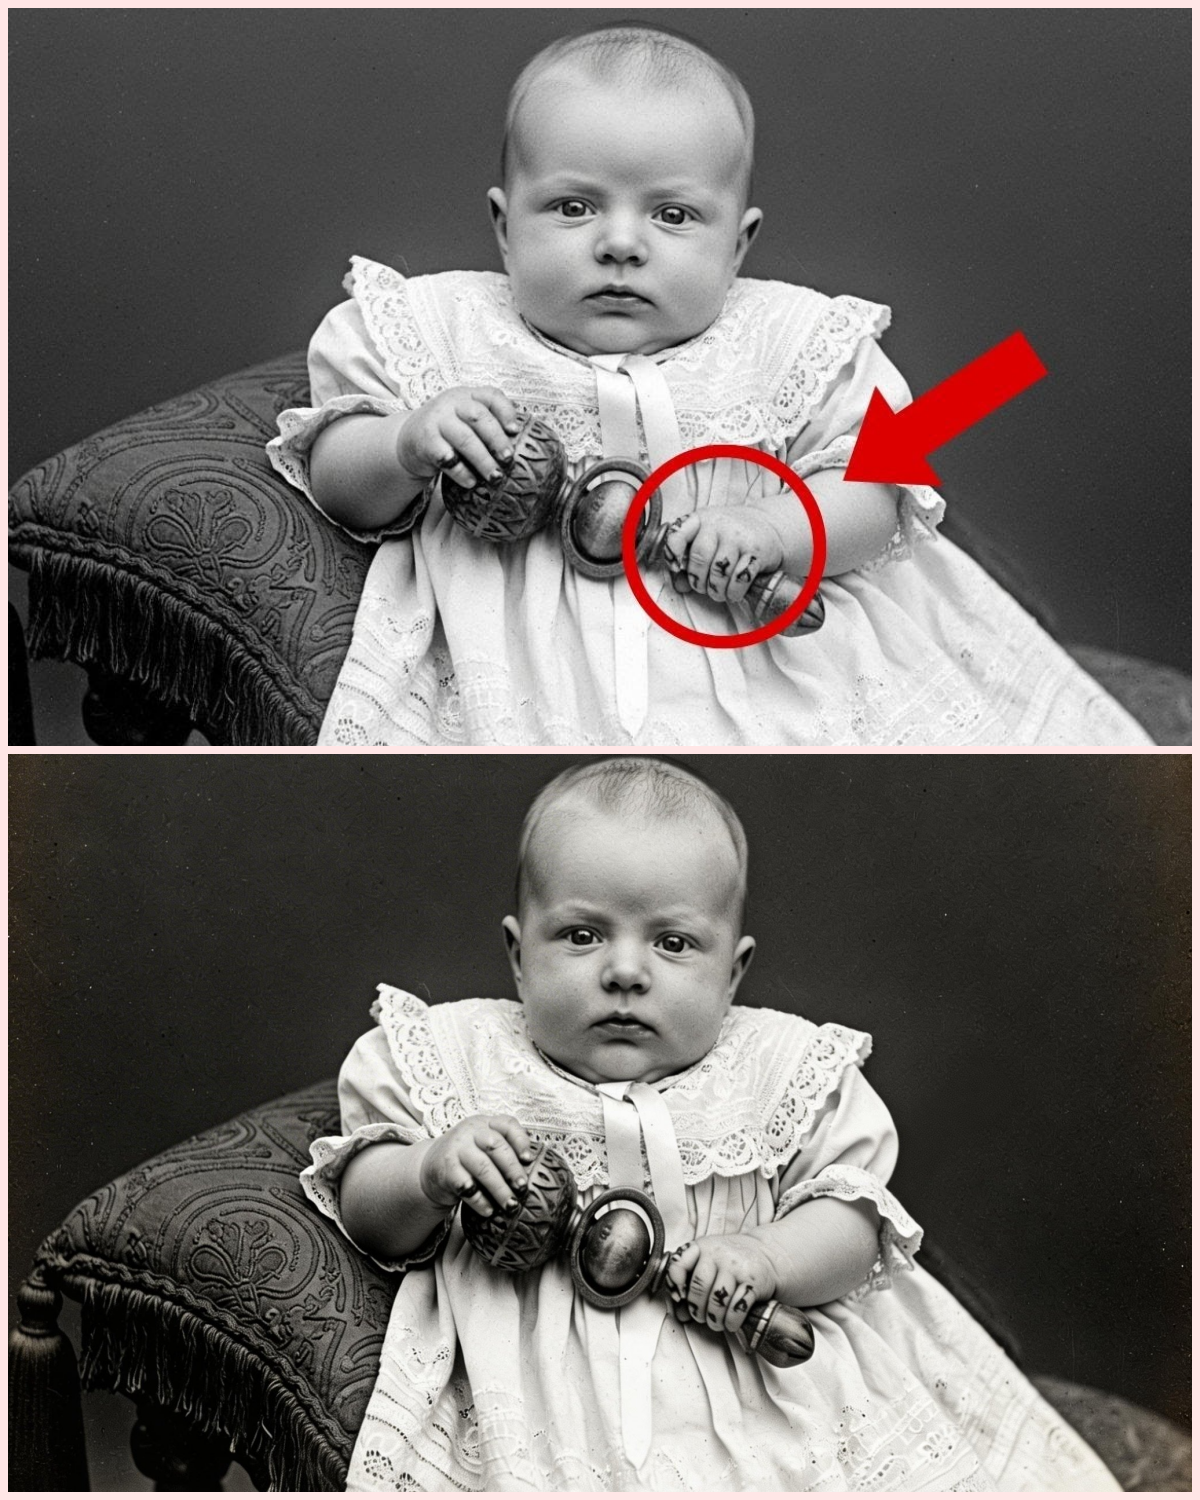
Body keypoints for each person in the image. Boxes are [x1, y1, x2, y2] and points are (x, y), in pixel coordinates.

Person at [267, 23, 1150, 747]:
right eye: (573, 207)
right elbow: (336, 474)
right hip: (524, 663)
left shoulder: (796, 341)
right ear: (504, 226)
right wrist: (406, 441)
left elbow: (879, 490)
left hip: (778, 654)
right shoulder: (438, 331)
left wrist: (776, 527)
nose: (620, 243)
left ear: (740, 243)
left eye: (673, 215)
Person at [301, 757, 1121, 1491]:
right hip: (544, 1396)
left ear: (734, 972)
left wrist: (768, 1255)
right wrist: (427, 1171)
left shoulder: (780, 1069)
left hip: (769, 1390)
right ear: (519, 956)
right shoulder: (458, 1056)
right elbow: (365, 1203)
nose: (625, 972)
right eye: (581, 936)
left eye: (674, 943)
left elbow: (856, 1221)